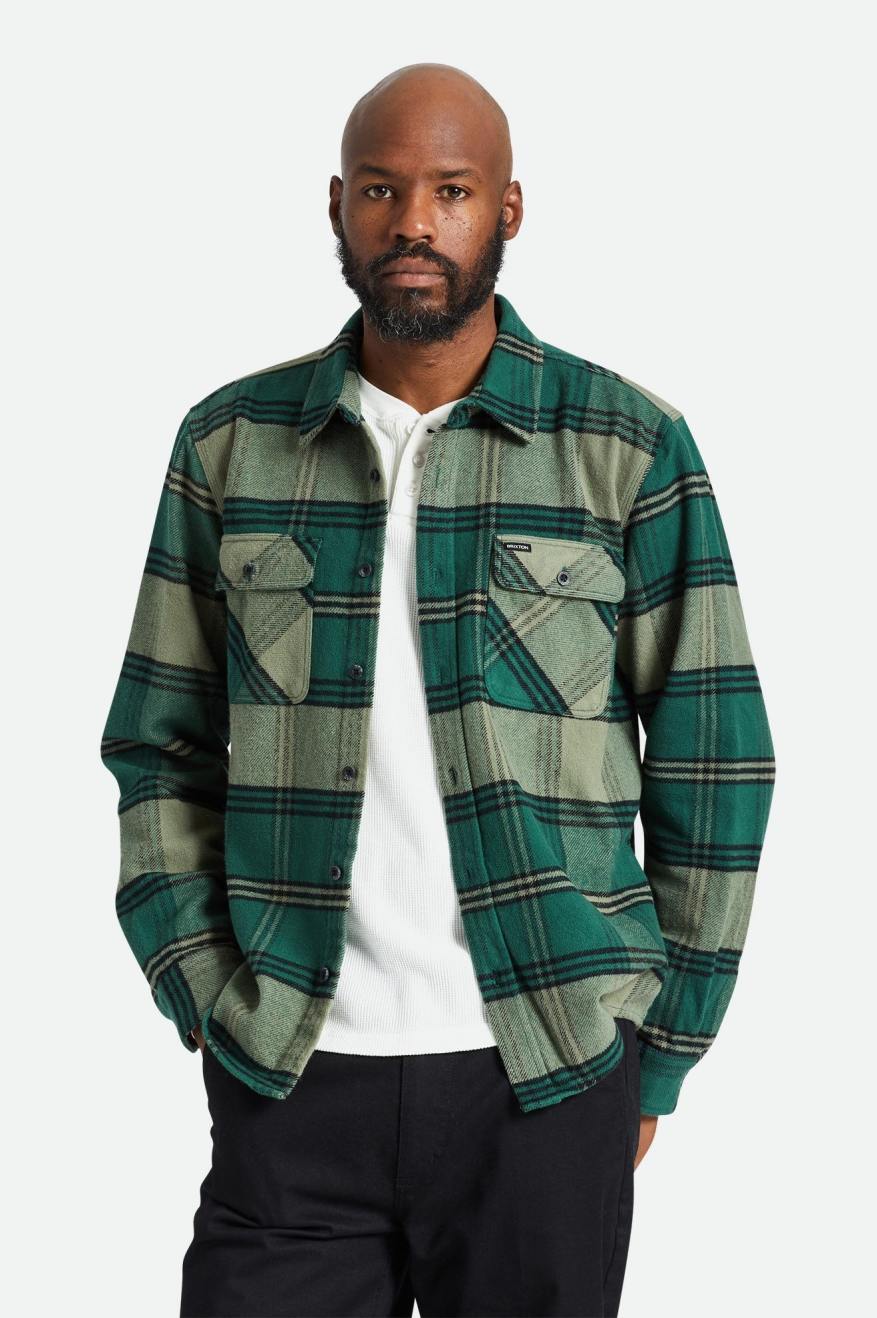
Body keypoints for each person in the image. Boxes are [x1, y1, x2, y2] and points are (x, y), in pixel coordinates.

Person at [100, 61, 776, 1318]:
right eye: (381, 189)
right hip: (292, 1069)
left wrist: (660, 1052)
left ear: (507, 209)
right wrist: (201, 985)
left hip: (546, 1070)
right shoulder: (230, 446)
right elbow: (159, 742)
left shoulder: (625, 447)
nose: (413, 221)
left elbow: (715, 758)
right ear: (337, 207)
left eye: (451, 191)